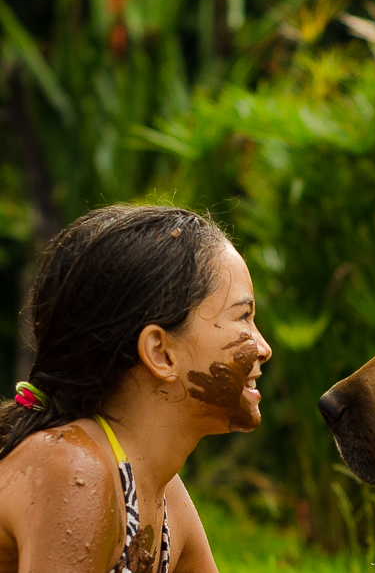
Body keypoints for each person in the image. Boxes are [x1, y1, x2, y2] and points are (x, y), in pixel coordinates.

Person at [0, 204, 272, 572]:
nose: (264, 348)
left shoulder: (164, 494)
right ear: (161, 352)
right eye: (243, 317)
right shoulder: (74, 471)